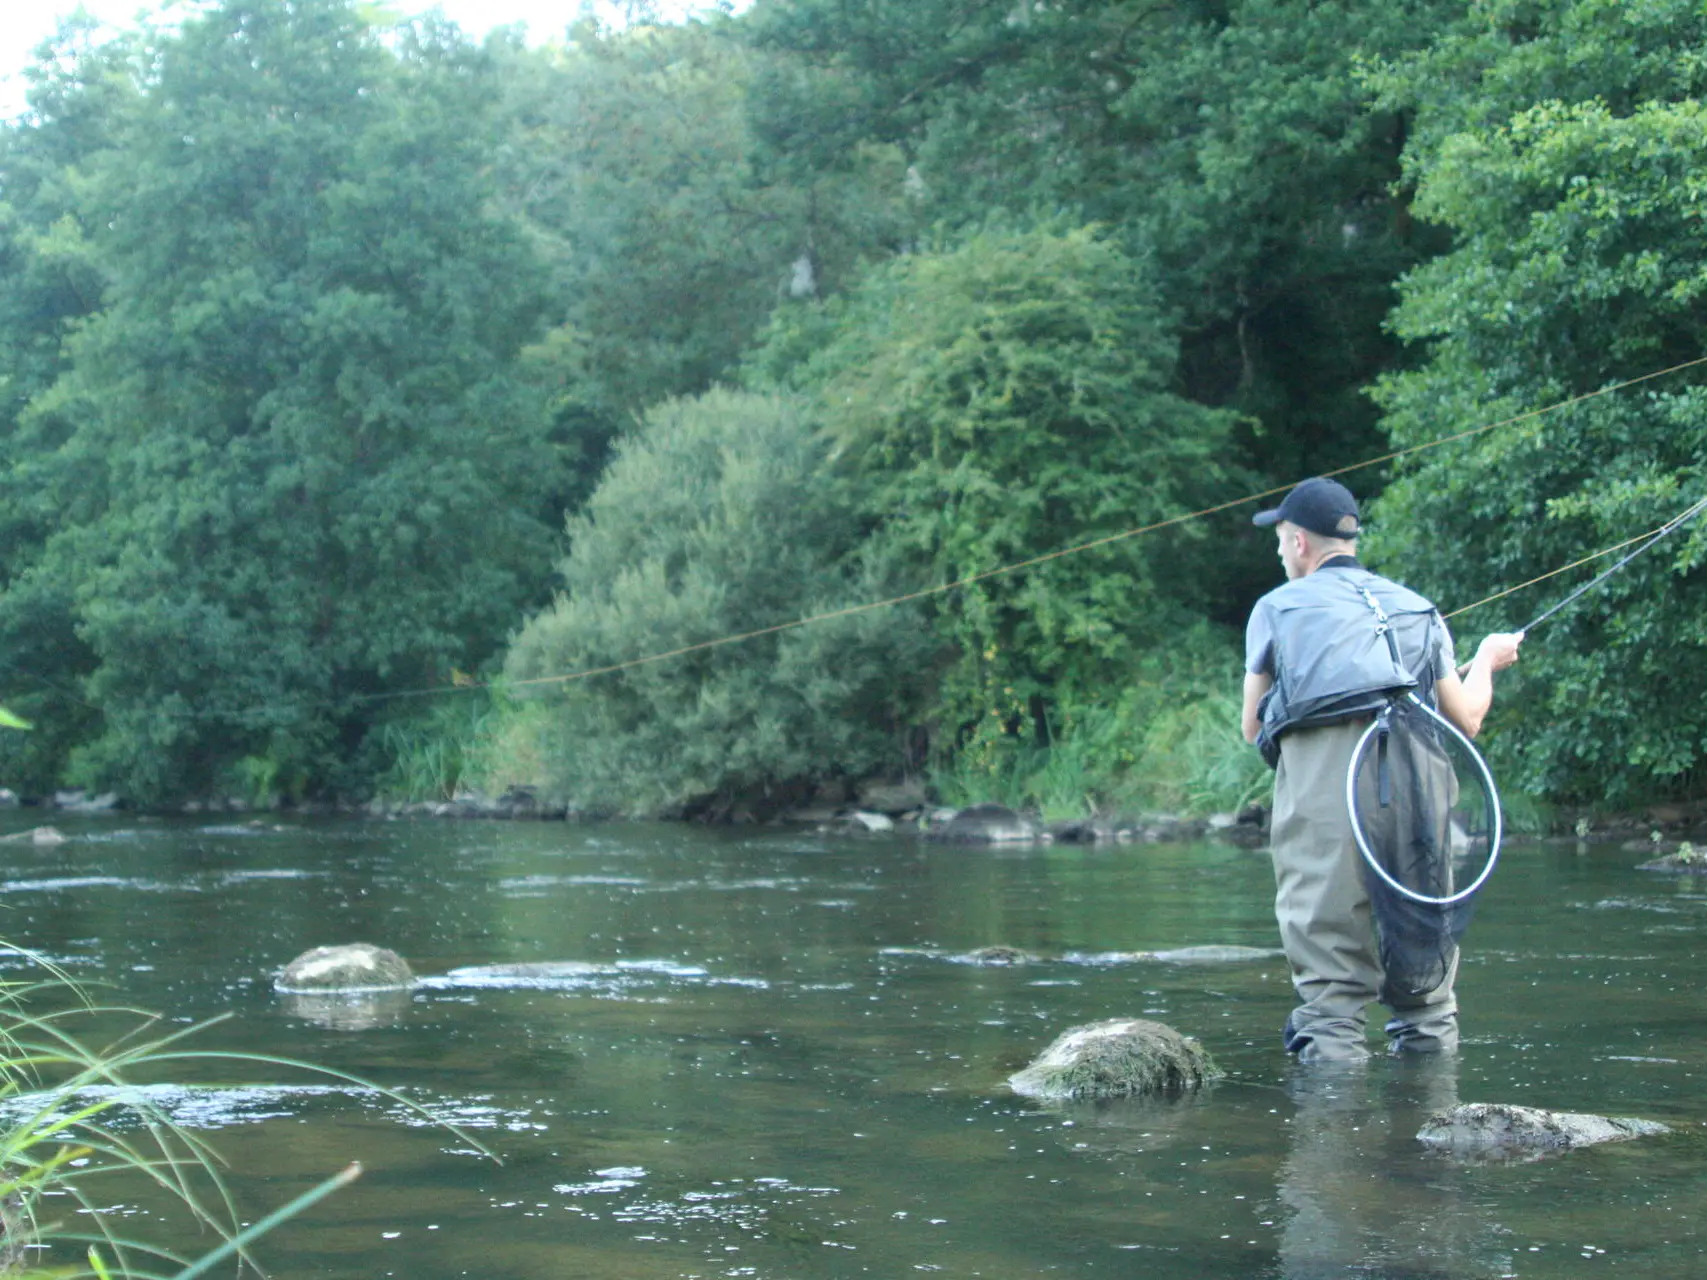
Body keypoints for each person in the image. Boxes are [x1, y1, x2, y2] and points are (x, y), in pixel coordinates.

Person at [1239, 477, 1522, 1062]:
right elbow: (1465, 717)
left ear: (1297, 543)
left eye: (1280, 540)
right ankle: (1433, 1130)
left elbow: (1252, 728)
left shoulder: (1275, 608)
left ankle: (1331, 1139)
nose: (1279, 551)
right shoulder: (1418, 606)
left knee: (1332, 989)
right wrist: (1489, 661)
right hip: (1420, 785)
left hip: (1327, 789)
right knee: (1427, 996)